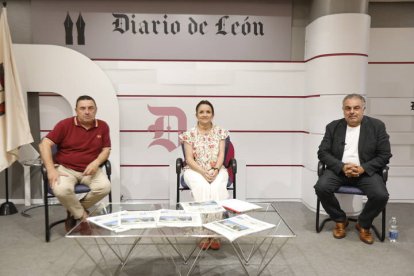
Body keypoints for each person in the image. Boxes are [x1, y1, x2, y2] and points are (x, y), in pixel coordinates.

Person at [314, 94, 391, 244]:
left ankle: (363, 223)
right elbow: (322, 152)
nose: (352, 112)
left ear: (363, 109)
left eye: (356, 108)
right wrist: (341, 166)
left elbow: (385, 155)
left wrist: (363, 168)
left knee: (381, 195)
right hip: (339, 171)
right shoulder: (333, 126)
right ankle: (340, 220)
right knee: (321, 187)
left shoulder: (377, 126)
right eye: (348, 108)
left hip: (366, 172)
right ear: (343, 110)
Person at [39, 95, 111, 233]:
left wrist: (96, 162)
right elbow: (44, 144)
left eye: (91, 108)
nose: (87, 111)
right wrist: (50, 170)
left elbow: (106, 149)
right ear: (76, 110)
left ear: (96, 110)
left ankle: (72, 212)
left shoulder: (102, 126)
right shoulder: (64, 124)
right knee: (60, 189)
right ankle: (83, 216)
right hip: (66, 169)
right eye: (82, 108)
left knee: (105, 187)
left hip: (90, 170)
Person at [179, 100, 229, 249]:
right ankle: (203, 232)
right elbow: (188, 159)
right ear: (196, 115)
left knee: (216, 189)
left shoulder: (220, 132)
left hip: (217, 169)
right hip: (194, 170)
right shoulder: (189, 134)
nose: (205, 114)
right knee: (202, 188)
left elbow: (221, 154)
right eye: (201, 112)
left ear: (212, 114)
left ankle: (215, 234)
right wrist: (203, 172)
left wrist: (216, 170)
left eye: (208, 112)